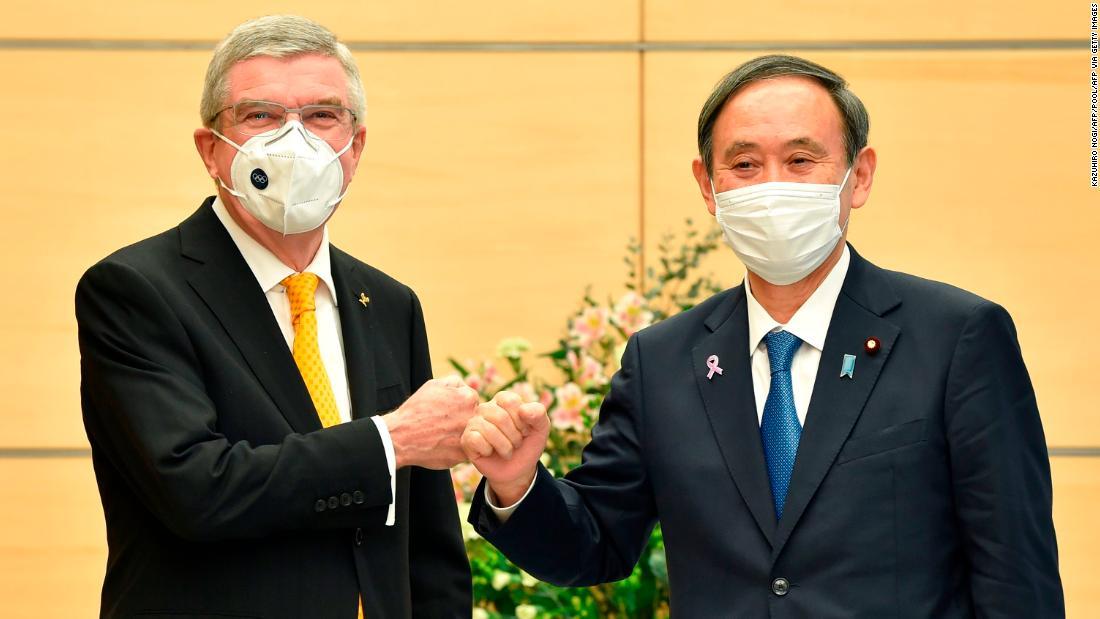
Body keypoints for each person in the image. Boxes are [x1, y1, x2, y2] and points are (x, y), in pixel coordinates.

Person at [462, 54, 1065, 617]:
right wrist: (516, 484)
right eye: (744, 164)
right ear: (708, 185)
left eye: (802, 161)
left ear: (859, 177)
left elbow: (1015, 575)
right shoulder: (663, 360)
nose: (773, 185)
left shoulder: (956, 338)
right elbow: (595, 546)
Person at [76, 15, 475, 618]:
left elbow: (429, 547)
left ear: (354, 147)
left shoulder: (390, 303)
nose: (295, 142)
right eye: (261, 115)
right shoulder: (137, 290)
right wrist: (388, 441)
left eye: (321, 115)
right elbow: (196, 490)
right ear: (212, 150)